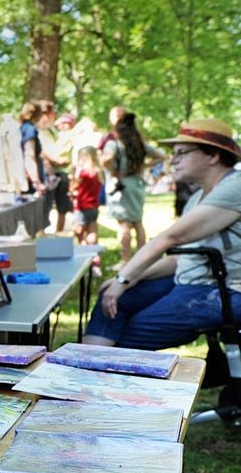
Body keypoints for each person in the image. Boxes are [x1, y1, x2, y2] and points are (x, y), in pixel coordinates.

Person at [83, 118, 241, 349]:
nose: (172, 159)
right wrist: (130, 279)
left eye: (182, 152)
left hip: (225, 290)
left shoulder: (235, 186)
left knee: (127, 335)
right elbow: (179, 259)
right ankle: (85, 368)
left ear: (213, 156)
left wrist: (123, 278)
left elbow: (170, 239)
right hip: (194, 282)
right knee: (114, 298)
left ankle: (96, 367)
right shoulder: (198, 198)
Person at [102, 111, 165, 262]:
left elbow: (106, 160)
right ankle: (142, 258)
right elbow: (161, 155)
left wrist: (114, 172)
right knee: (138, 222)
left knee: (124, 224)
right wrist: (144, 166)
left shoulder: (114, 144)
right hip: (137, 183)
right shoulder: (140, 144)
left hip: (122, 185)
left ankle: (126, 260)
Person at [37, 101, 73, 233]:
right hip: (47, 174)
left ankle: (59, 234)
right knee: (44, 207)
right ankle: (41, 236)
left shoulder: (52, 130)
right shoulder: (36, 130)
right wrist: (56, 160)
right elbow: (40, 151)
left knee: (62, 208)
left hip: (60, 172)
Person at [70, 146, 103, 253]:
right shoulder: (98, 172)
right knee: (92, 229)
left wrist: (73, 175)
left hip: (82, 206)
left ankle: (84, 251)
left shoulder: (83, 173)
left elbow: (73, 186)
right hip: (93, 205)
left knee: (78, 230)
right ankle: (94, 254)